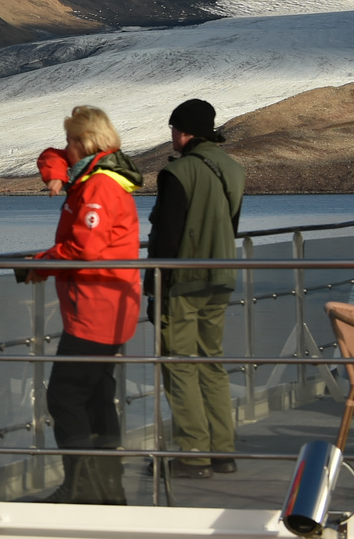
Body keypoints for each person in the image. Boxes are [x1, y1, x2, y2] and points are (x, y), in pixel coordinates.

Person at [24, 105, 143, 504]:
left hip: (97, 311)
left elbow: (85, 248)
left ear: (85, 143)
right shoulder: (94, 174)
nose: (66, 148)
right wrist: (56, 174)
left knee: (66, 397)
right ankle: (107, 487)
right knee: (95, 396)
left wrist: (41, 265)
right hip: (102, 308)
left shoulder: (99, 188)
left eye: (72, 141)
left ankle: (83, 488)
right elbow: (51, 155)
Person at [146, 98, 246, 479]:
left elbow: (166, 237)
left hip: (184, 282)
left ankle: (192, 454)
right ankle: (223, 451)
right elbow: (230, 225)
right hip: (221, 276)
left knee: (179, 364)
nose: (171, 135)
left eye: (173, 128)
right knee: (212, 362)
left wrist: (155, 287)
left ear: (184, 131)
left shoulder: (178, 174)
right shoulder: (233, 170)